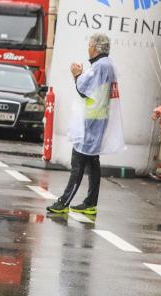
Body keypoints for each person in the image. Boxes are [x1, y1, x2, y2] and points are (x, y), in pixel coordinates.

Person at [47, 33, 124, 215]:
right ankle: (90, 202)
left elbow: (84, 89)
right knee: (92, 162)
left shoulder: (100, 66)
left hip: (92, 121)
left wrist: (76, 75)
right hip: (99, 118)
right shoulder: (108, 64)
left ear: (95, 48)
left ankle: (64, 202)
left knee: (78, 161)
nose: (88, 49)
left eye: (89, 45)